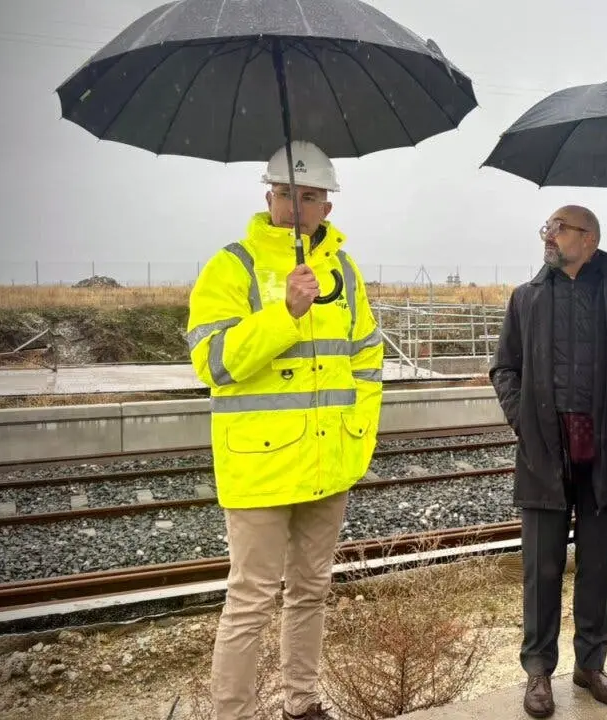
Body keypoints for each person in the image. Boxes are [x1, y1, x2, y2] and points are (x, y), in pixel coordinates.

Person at [187, 141, 383, 720]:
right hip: (261, 464)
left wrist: (360, 431)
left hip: (329, 462)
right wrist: (284, 315)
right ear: (268, 196)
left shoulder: (344, 270)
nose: (297, 207)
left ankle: (303, 705)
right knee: (250, 599)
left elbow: (367, 357)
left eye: (311, 197)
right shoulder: (233, 265)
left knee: (311, 592)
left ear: (328, 206)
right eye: (287, 194)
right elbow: (213, 361)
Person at [490, 205, 607, 718]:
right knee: (541, 567)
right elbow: (504, 368)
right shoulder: (528, 297)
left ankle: (591, 664)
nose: (549, 236)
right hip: (545, 452)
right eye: (548, 228)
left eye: (558, 229)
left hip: (605, 452)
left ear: (588, 238)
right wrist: (525, 423)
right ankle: (538, 671)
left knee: (597, 565)